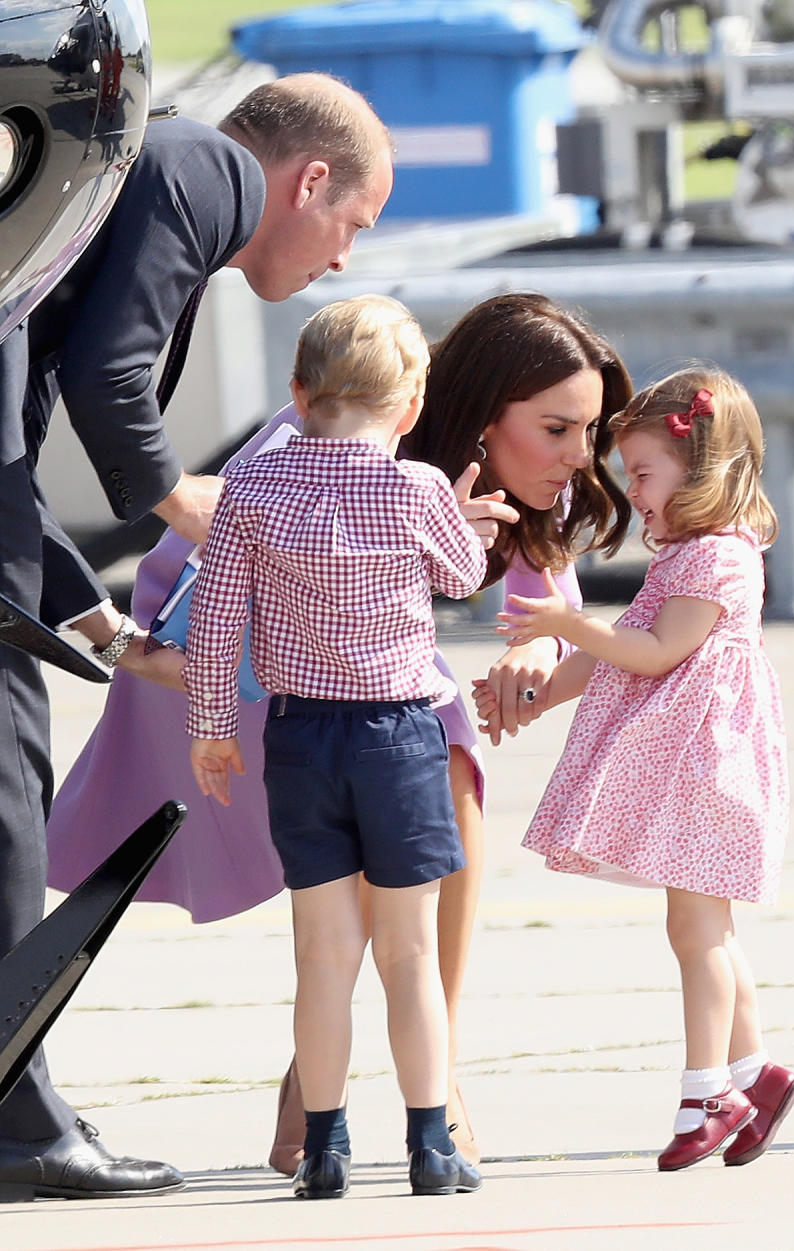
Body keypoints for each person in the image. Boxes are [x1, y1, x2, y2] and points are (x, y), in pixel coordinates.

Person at [46, 292, 634, 1174]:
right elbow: (206, 579)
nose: (577, 456)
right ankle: (402, 1096)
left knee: (414, 812)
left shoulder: (448, 462)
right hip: (221, 669)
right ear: (476, 409)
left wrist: (539, 646)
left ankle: (346, 1092)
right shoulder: (344, 431)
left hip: (313, 696)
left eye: (587, 431)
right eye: (556, 428)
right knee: (439, 780)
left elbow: (544, 582)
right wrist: (141, 654)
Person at [0, 73, 393, 1200]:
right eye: (350, 226)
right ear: (307, 179)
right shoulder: (205, 169)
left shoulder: (152, 173)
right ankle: (19, 1126)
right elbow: (107, 377)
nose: (341, 262)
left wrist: (93, 617)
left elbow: (23, 448)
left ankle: (23, 1109)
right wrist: (187, 506)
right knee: (8, 803)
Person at [184, 294, 486, 1198]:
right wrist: (462, 519)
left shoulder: (250, 490)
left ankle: (324, 1147)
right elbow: (461, 577)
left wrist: (208, 727)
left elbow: (217, 618)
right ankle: (432, 1145)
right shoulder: (418, 487)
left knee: (321, 954)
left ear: (297, 390)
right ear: (410, 406)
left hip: (300, 735)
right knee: (410, 953)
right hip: (398, 735)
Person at [477, 364, 794, 1172]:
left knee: (697, 934)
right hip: (692, 771)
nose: (638, 494)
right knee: (707, 931)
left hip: (708, 770)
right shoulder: (688, 555)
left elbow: (653, 652)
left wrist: (565, 621)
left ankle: (708, 1093)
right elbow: (624, 647)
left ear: (702, 470)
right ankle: (754, 1074)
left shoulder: (723, 559)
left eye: (645, 475)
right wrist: (539, 693)